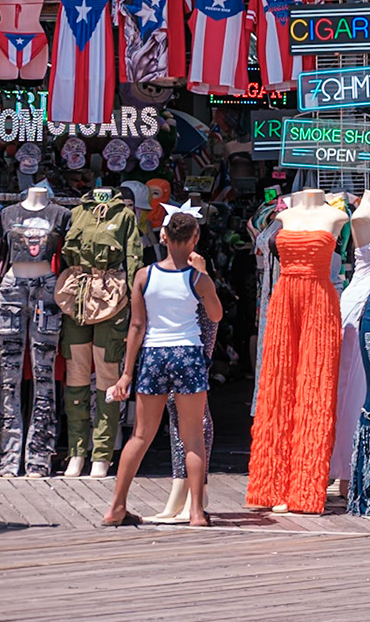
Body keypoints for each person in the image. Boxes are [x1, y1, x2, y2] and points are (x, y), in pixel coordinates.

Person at [100, 206, 222, 527]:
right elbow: (216, 315)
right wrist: (205, 275)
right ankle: (196, 512)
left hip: (154, 355)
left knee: (140, 435)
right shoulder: (198, 279)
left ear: (163, 236)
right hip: (188, 353)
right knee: (192, 436)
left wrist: (127, 373)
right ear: (195, 238)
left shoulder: (144, 275)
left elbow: (137, 326)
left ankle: (116, 507)